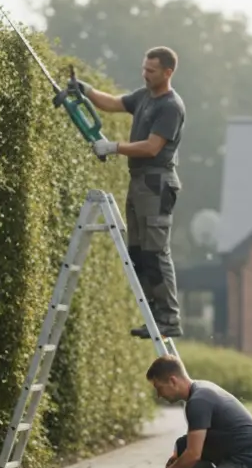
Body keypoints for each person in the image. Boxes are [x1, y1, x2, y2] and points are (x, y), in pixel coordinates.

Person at [68, 47, 186, 339]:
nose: (145, 74)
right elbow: (113, 103)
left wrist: (113, 147)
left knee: (156, 252)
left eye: (151, 71)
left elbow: (151, 147)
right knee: (138, 252)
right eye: (144, 68)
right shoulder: (144, 96)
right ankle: (155, 318)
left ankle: (169, 318)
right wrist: (85, 89)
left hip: (157, 182)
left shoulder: (170, 106)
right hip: (139, 181)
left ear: (168, 72)